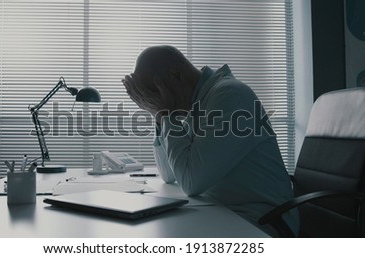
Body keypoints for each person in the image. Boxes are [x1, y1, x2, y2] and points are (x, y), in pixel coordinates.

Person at [122, 45, 298, 236]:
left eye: (154, 94)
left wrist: (166, 115)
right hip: (221, 211)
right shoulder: (196, 104)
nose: (154, 101)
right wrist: (159, 117)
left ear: (176, 75)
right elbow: (169, 174)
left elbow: (190, 182)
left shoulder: (230, 96)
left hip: (261, 222)